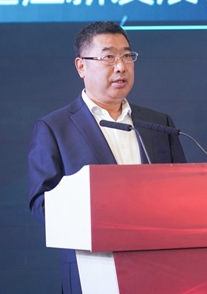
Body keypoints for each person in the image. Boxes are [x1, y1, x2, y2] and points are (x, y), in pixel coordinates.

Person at [27, 21, 187, 294]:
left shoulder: (158, 123)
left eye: (127, 56)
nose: (121, 66)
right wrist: (109, 220)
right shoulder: (55, 128)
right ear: (81, 66)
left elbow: (184, 191)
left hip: (159, 268)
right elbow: (43, 205)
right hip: (94, 268)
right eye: (108, 57)